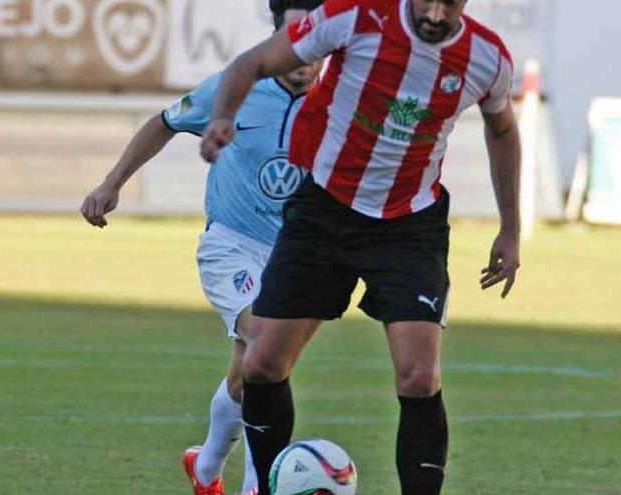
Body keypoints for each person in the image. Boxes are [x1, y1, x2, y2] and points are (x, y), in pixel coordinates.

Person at [200, 0, 522, 493]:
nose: (436, 14)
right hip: (325, 211)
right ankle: (265, 486)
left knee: (419, 376)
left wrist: (510, 229)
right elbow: (254, 63)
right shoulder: (354, 16)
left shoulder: (487, 57)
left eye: (450, 5)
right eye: (427, 2)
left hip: (409, 225)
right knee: (262, 363)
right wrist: (223, 116)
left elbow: (502, 131)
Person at [81, 2, 325, 493]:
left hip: (297, 255)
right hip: (231, 245)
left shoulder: (342, 97)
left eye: (313, 40)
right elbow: (164, 122)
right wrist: (111, 184)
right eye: (292, 39)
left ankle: (206, 468)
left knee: (252, 371)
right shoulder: (236, 86)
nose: (303, 55)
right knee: (263, 345)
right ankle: (260, 484)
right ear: (276, 36)